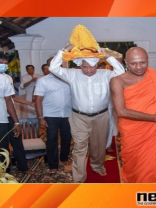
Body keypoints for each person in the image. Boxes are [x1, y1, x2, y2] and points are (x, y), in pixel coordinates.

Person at [49, 24, 124, 182]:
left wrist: (106, 54)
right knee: (79, 147)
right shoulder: (72, 75)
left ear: (98, 64)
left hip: (101, 116)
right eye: (85, 67)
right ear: (79, 65)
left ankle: (97, 166)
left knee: (98, 146)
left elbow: (121, 72)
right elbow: (53, 67)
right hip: (79, 118)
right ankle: (79, 178)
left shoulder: (106, 74)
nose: (89, 70)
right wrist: (68, 48)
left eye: (92, 67)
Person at [110, 47, 156, 183]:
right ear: (126, 62)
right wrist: (153, 118)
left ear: (148, 61)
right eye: (133, 63)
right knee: (136, 167)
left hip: (155, 133)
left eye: (142, 63)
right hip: (134, 133)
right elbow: (121, 111)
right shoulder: (118, 81)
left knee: (155, 168)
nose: (138, 67)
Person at [34, 64, 72, 173]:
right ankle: (53, 165)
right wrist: (40, 117)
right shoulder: (43, 80)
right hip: (50, 115)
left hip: (67, 114)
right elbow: (38, 100)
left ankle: (64, 158)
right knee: (51, 139)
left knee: (67, 137)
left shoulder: (69, 79)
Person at [0, 53, 21, 164]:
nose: (3, 65)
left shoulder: (4, 79)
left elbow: (9, 101)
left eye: (5, 63)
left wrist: (16, 122)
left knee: (2, 150)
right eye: (0, 63)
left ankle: (2, 175)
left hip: (1, 119)